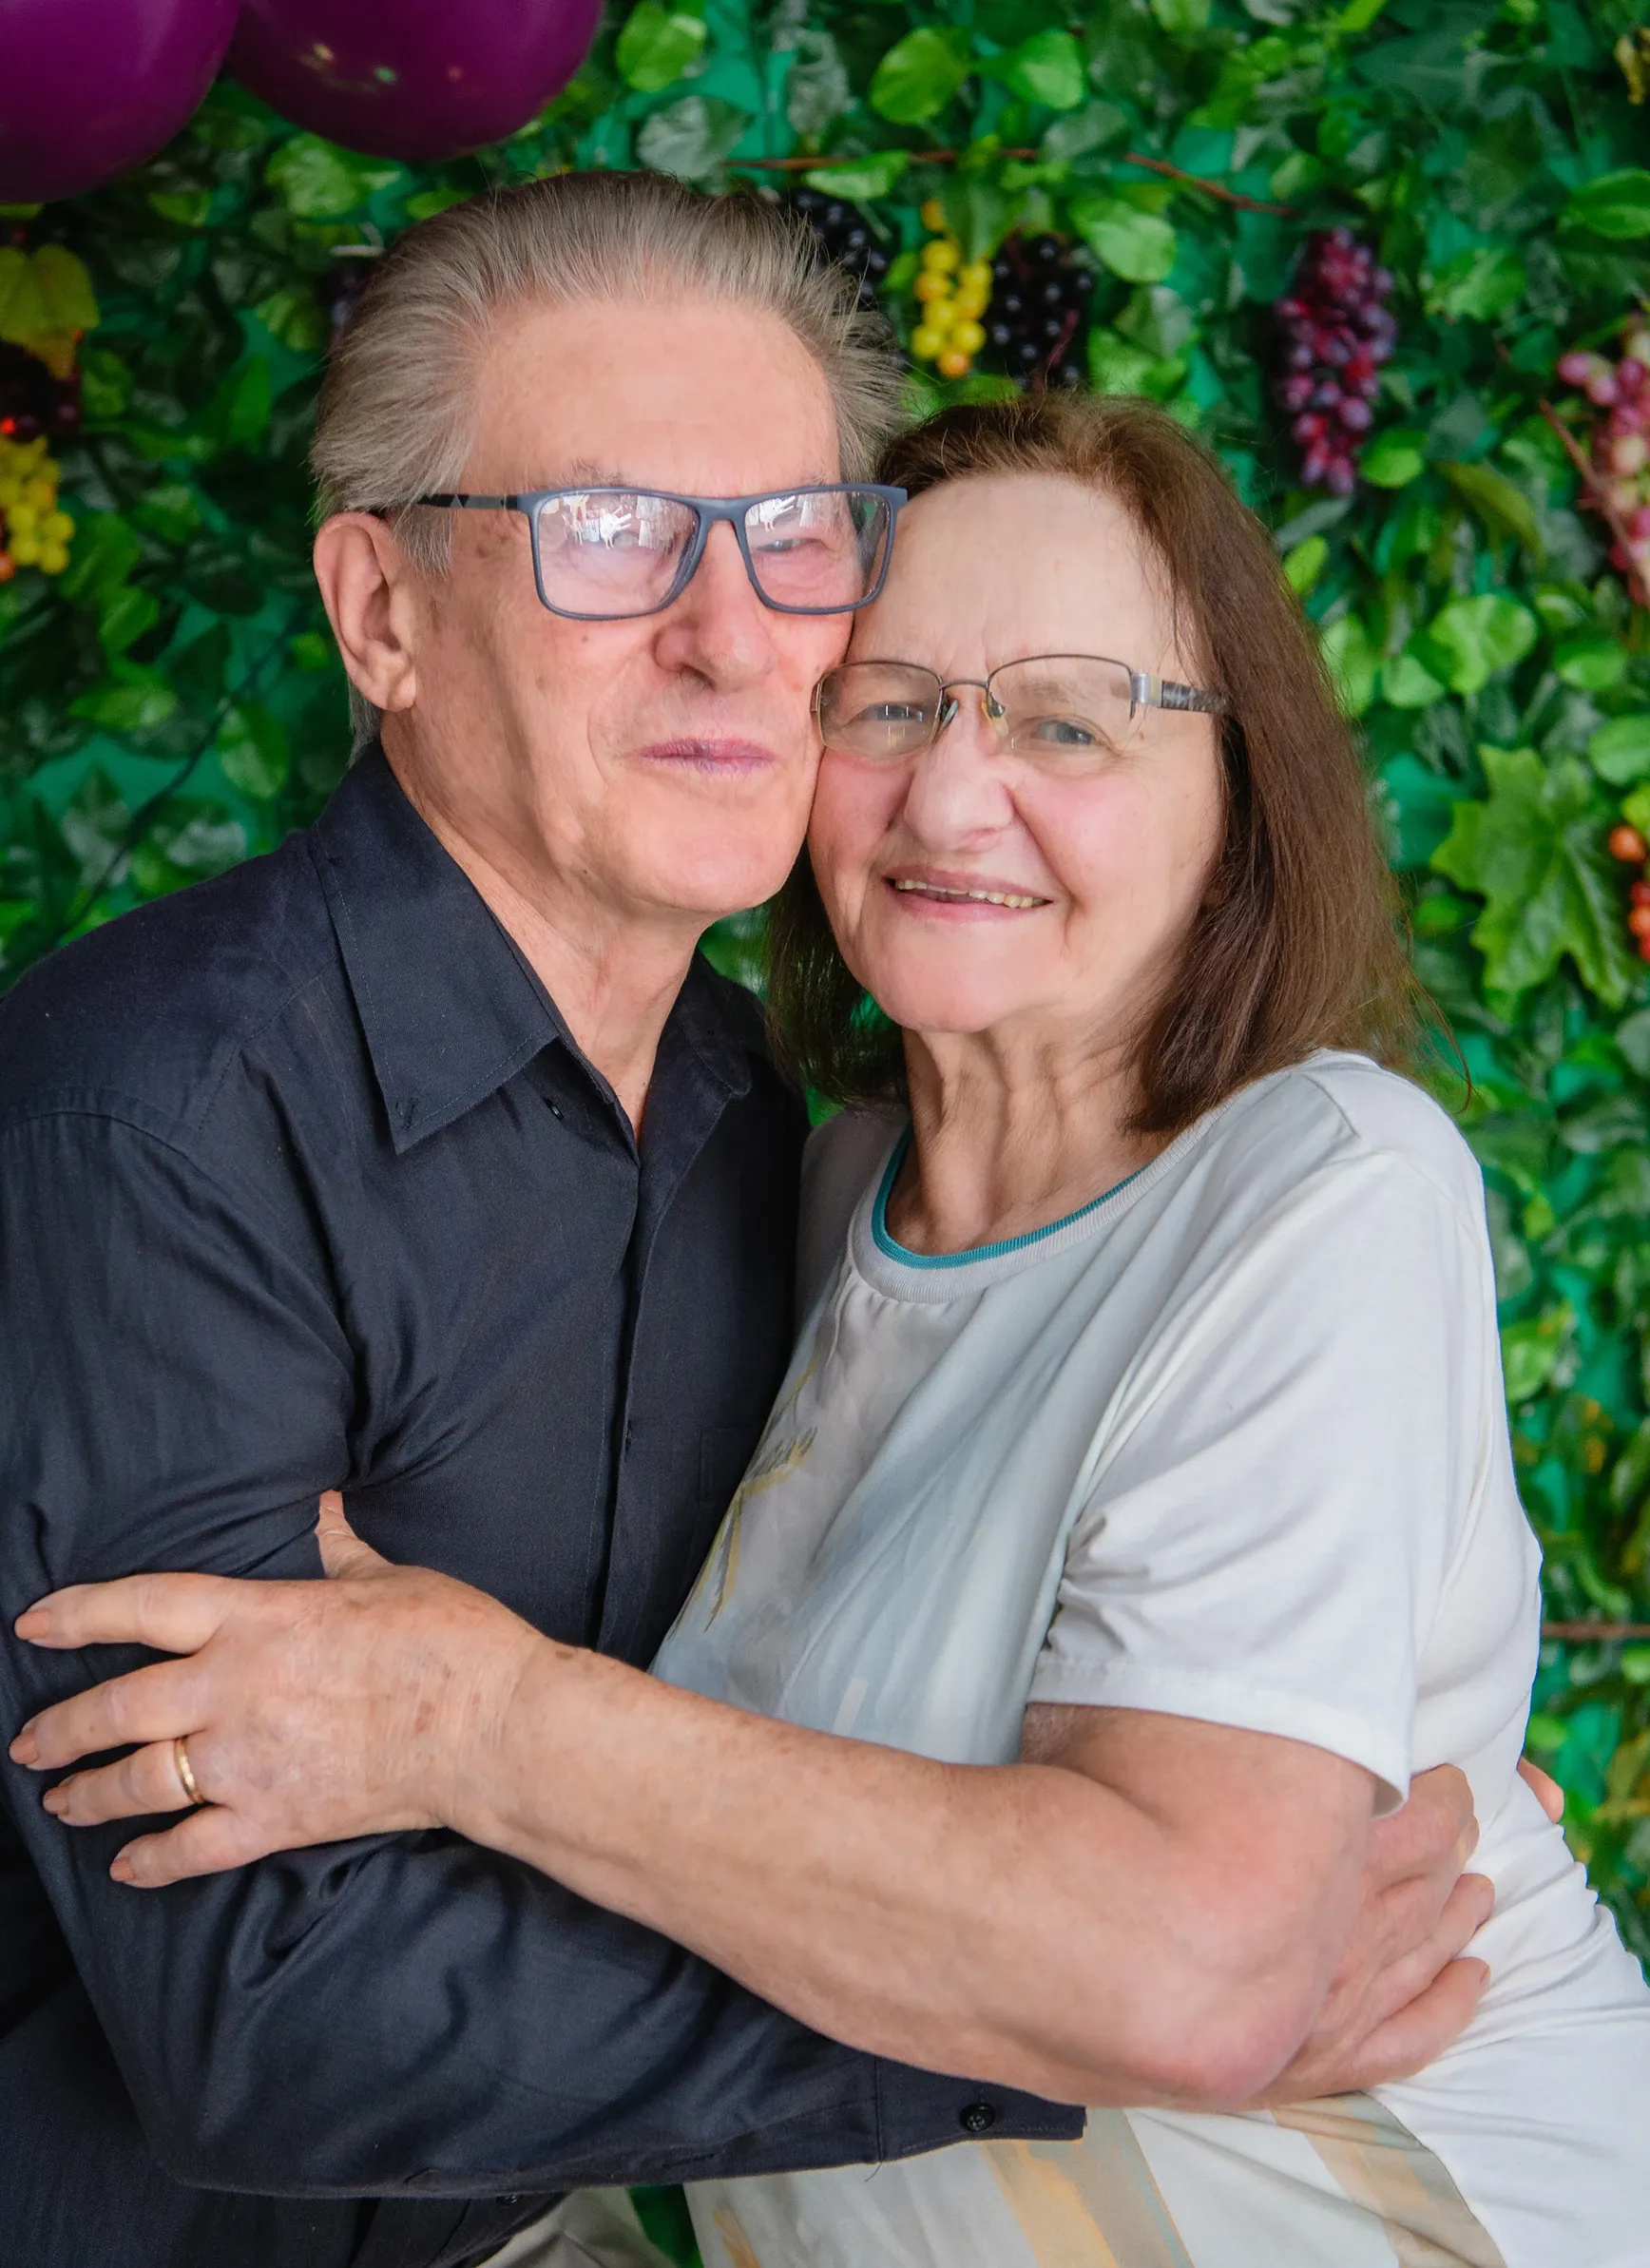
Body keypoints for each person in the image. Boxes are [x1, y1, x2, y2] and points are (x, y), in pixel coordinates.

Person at [0, 181, 1482, 2268]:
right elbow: (266, 2017)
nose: (728, 632)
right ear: (381, 612)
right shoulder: (147, 1121)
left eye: (794, 538)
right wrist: (1070, 2013)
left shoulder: (765, 1136)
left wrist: (491, 1722)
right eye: (604, 533)